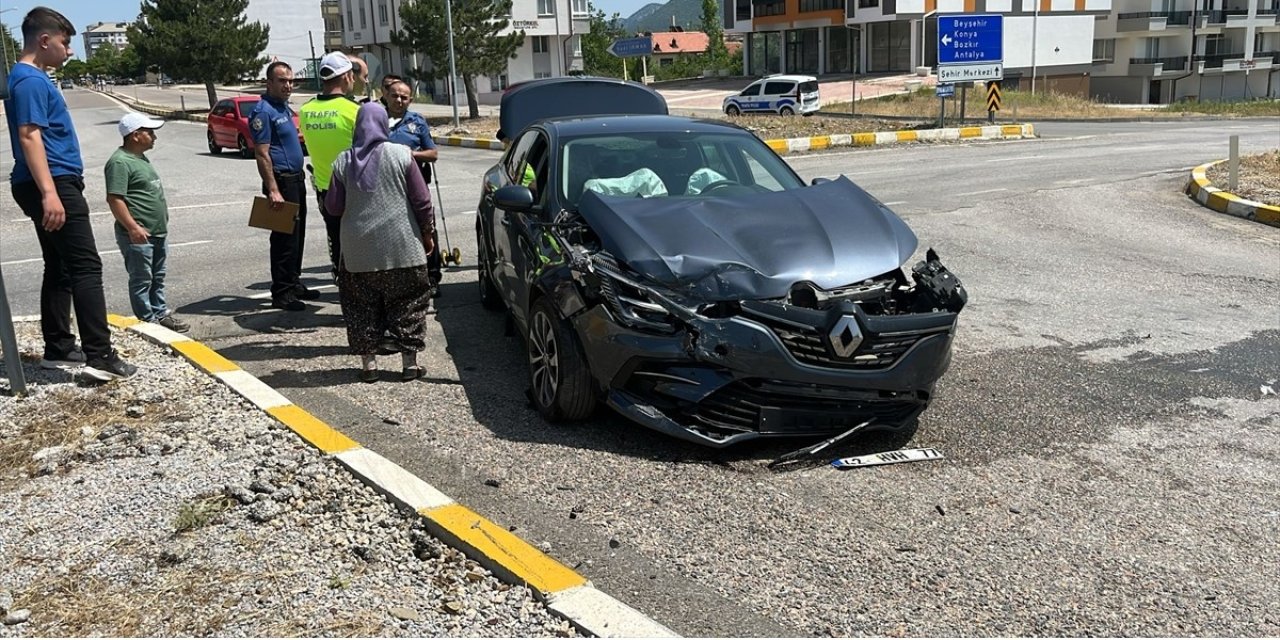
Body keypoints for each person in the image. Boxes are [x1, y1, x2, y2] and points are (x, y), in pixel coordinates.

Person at [5, 6, 136, 381]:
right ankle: (100, 355)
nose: (69, 51)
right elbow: (30, 136)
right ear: (44, 41)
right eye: (65, 43)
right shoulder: (29, 81)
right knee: (86, 266)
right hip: (53, 182)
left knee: (60, 266)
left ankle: (59, 346)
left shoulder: (29, 78)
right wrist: (50, 192)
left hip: (49, 181)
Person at [325, 103, 435, 383]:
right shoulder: (402, 155)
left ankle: (369, 366)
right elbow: (422, 201)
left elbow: (334, 208)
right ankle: (409, 365)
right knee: (409, 303)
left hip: (357, 253)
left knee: (361, 308)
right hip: (403, 248)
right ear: (385, 125)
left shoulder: (342, 161)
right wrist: (427, 232)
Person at [105, 112, 188, 333]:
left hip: (156, 231)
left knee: (157, 276)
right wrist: (132, 227)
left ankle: (160, 313)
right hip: (138, 234)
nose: (154, 137)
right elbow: (115, 198)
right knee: (142, 278)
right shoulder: (120, 162)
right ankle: (147, 321)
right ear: (135, 135)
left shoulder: (140, 158)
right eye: (149, 132)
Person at [249, 60, 315, 311]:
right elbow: (262, 153)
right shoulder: (263, 111)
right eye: (282, 81)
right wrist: (273, 189)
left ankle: (293, 282)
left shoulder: (283, 109)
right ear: (269, 83)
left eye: (290, 81)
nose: (288, 85)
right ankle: (282, 292)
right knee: (283, 240)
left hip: (295, 178)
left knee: (297, 236)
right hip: (281, 181)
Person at [299, 52, 360, 277]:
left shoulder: (306, 111)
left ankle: (339, 274)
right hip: (354, 189)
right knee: (358, 241)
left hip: (325, 188)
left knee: (334, 235)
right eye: (352, 75)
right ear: (345, 77)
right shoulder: (354, 111)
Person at [384, 79, 443, 296]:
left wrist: (411, 154)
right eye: (394, 95)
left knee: (426, 227)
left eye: (404, 97)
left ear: (410, 99)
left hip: (415, 184)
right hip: (387, 188)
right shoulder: (377, 120)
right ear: (386, 95)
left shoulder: (417, 121)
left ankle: (432, 276)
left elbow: (433, 153)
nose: (399, 100)